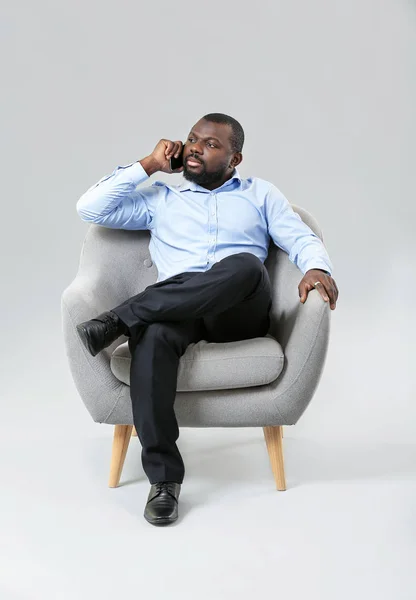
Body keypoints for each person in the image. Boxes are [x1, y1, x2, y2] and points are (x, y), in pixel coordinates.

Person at [75, 112, 339, 526]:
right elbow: (89, 208)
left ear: (235, 158)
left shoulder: (259, 194)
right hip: (175, 310)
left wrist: (318, 267)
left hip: (237, 310)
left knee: (246, 266)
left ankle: (120, 319)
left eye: (211, 144)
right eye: (192, 139)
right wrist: (148, 165)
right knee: (154, 336)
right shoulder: (163, 197)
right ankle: (163, 482)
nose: (196, 146)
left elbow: (300, 236)